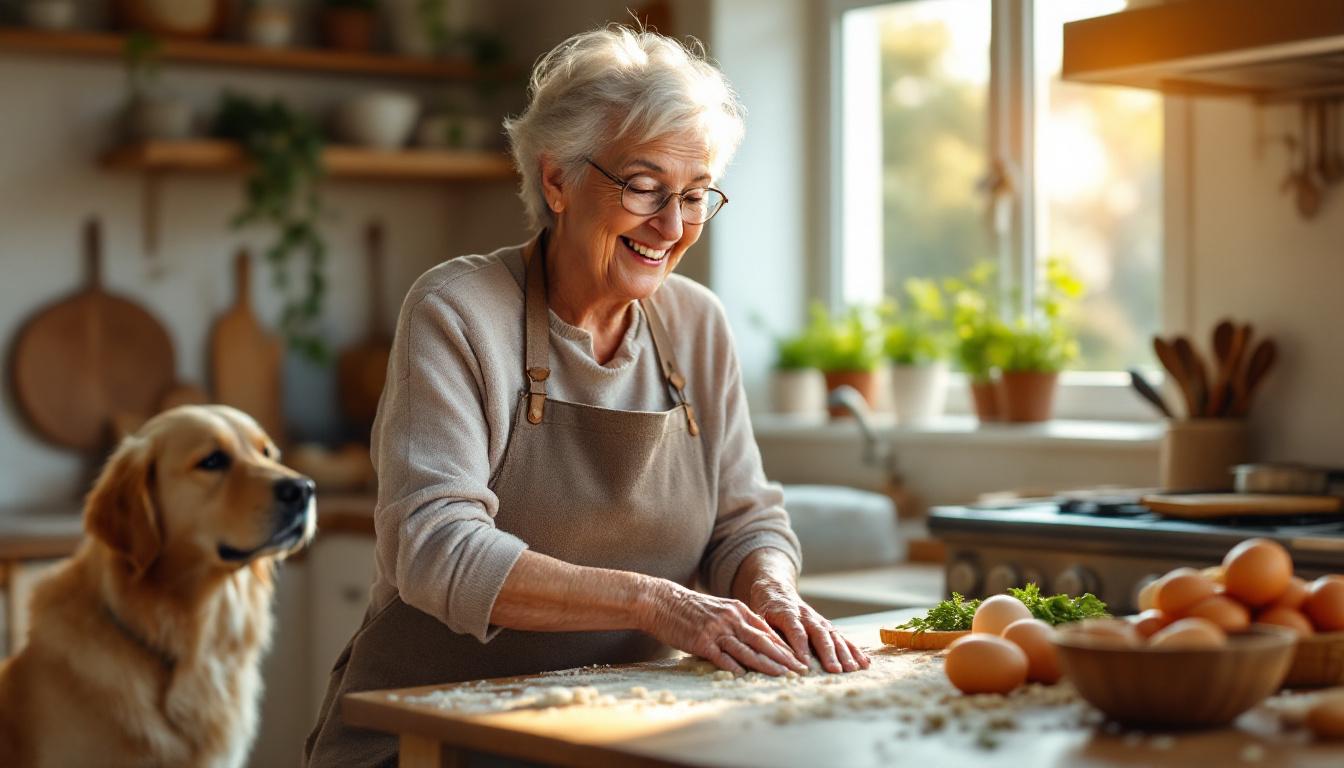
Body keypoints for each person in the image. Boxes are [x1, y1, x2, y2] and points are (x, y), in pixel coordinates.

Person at [305, 25, 869, 766]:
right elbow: (436, 549)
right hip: (428, 739)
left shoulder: (697, 324)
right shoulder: (457, 309)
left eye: (695, 195)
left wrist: (772, 594)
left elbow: (743, 521)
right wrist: (660, 604)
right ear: (557, 181)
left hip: (616, 733)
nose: (671, 226)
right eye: (644, 187)